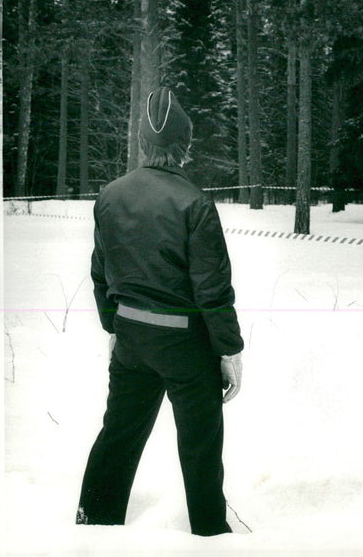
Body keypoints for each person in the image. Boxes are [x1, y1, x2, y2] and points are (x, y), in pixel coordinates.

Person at [76, 87, 245, 535]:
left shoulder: (111, 195)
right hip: (186, 346)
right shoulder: (195, 203)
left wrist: (113, 324)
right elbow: (212, 289)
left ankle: (91, 522)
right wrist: (228, 350)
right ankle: (210, 533)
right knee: (200, 446)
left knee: (119, 436)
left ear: (143, 143)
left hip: (131, 338)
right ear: (184, 145)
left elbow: (100, 271)